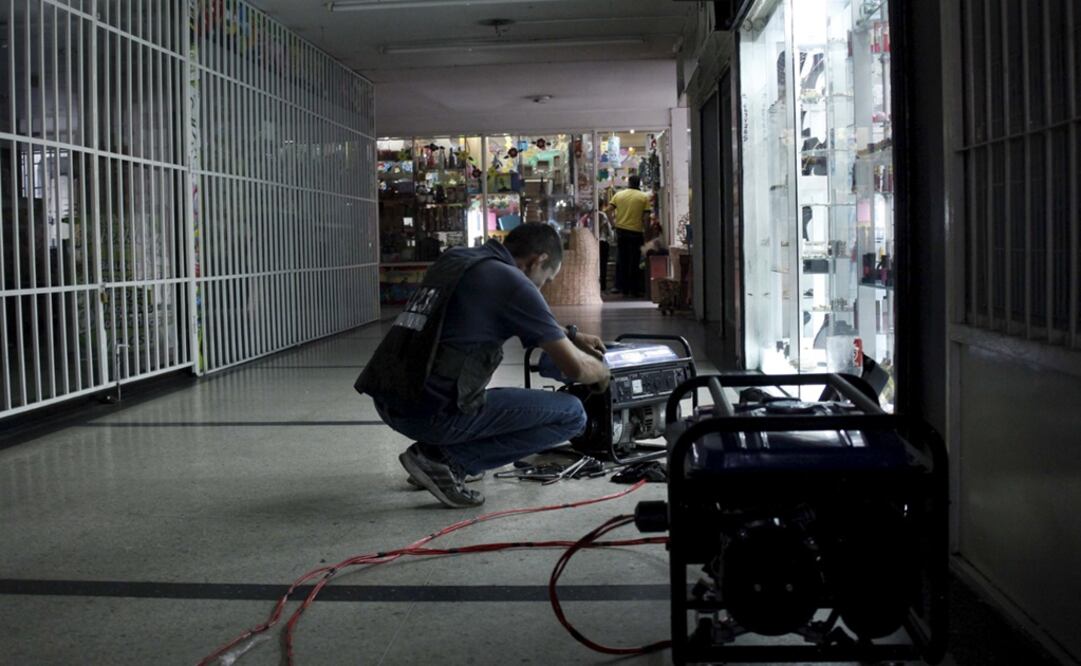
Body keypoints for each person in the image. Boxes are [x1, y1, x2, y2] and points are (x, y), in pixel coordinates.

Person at [355, 223, 611, 508]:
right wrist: (603, 371)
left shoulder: (460, 259)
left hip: (391, 399)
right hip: (430, 414)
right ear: (538, 260)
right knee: (572, 415)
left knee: (495, 397)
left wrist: (572, 335)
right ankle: (445, 461)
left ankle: (440, 452)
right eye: (547, 279)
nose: (543, 287)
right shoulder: (515, 283)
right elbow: (576, 369)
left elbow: (523, 316)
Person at [606, 175, 652, 298]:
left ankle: (622, 288)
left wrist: (613, 225)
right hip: (636, 232)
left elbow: (608, 210)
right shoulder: (644, 197)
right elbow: (646, 218)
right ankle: (634, 290)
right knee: (634, 260)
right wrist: (646, 233)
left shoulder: (619, 195)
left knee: (622, 259)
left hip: (621, 231)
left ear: (629, 183)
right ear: (639, 183)